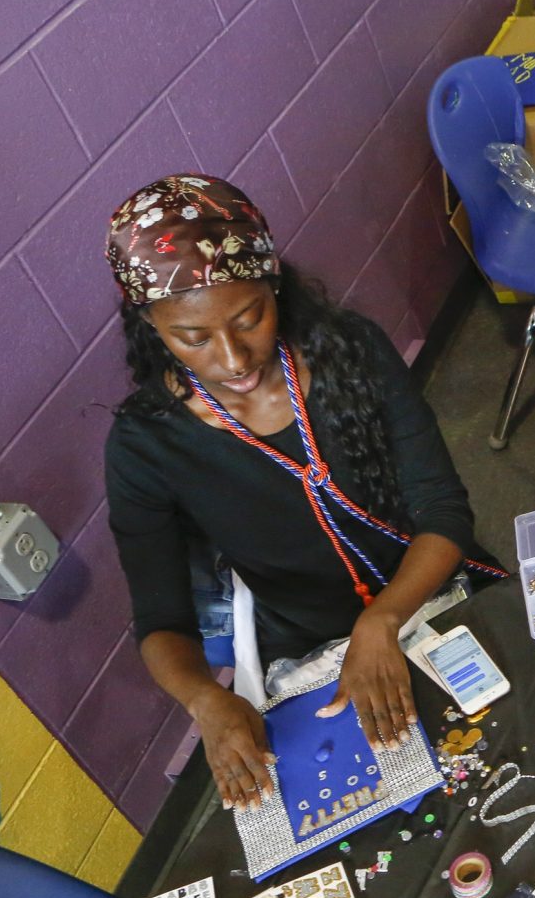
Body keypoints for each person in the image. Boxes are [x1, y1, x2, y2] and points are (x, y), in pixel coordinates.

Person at [103, 175, 499, 811]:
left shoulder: (352, 352)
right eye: (193, 338)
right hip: (312, 650)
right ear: (151, 326)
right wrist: (206, 699)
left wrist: (385, 620)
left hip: (438, 588)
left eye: (249, 318)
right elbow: (161, 621)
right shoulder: (145, 445)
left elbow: (442, 512)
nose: (233, 359)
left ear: (274, 287)